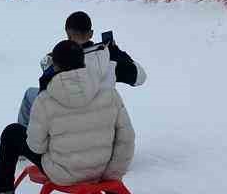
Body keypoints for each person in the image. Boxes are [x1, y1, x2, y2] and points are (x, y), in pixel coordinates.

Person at [0, 40, 135, 194]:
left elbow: (36, 146)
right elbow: (126, 139)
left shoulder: (45, 99)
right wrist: (111, 175)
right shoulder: (109, 93)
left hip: (63, 173)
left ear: (55, 66)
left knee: (12, 132)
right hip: (100, 169)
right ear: (83, 61)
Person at [17, 10, 147, 125]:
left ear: (68, 33)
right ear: (91, 33)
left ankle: (29, 140)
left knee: (31, 94)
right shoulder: (109, 58)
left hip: (69, 121)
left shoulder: (60, 59)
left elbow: (45, 92)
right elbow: (140, 78)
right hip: (103, 123)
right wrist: (117, 52)